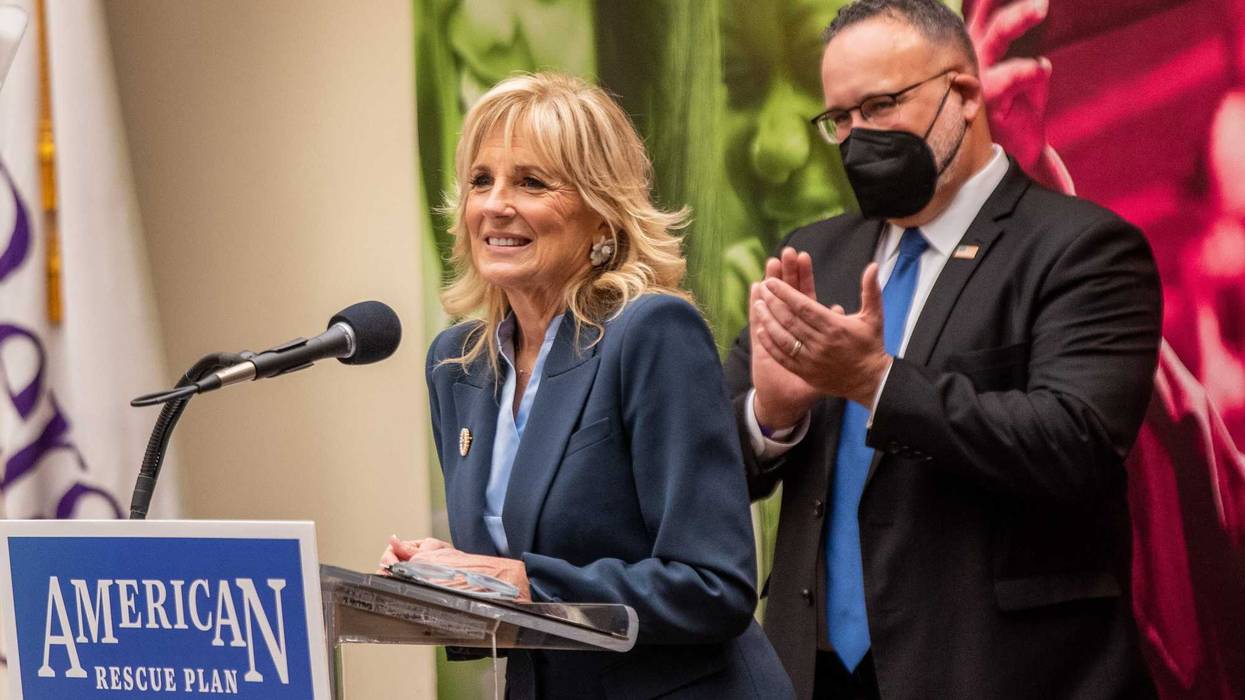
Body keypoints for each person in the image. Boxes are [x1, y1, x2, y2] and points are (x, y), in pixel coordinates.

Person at [723, 1, 1162, 697]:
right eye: (840, 119)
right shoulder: (814, 255)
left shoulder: (1080, 248)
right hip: (816, 673)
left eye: (880, 107)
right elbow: (710, 466)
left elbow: (1073, 443)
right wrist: (770, 419)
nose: (855, 137)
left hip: (999, 671)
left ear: (961, 93)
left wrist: (876, 381)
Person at [382, 72, 793, 699]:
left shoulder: (650, 333)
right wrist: (440, 581)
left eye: (531, 182)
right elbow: (513, 584)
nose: (495, 204)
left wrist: (515, 580)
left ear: (602, 214)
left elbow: (713, 586)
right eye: (480, 181)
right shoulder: (457, 364)